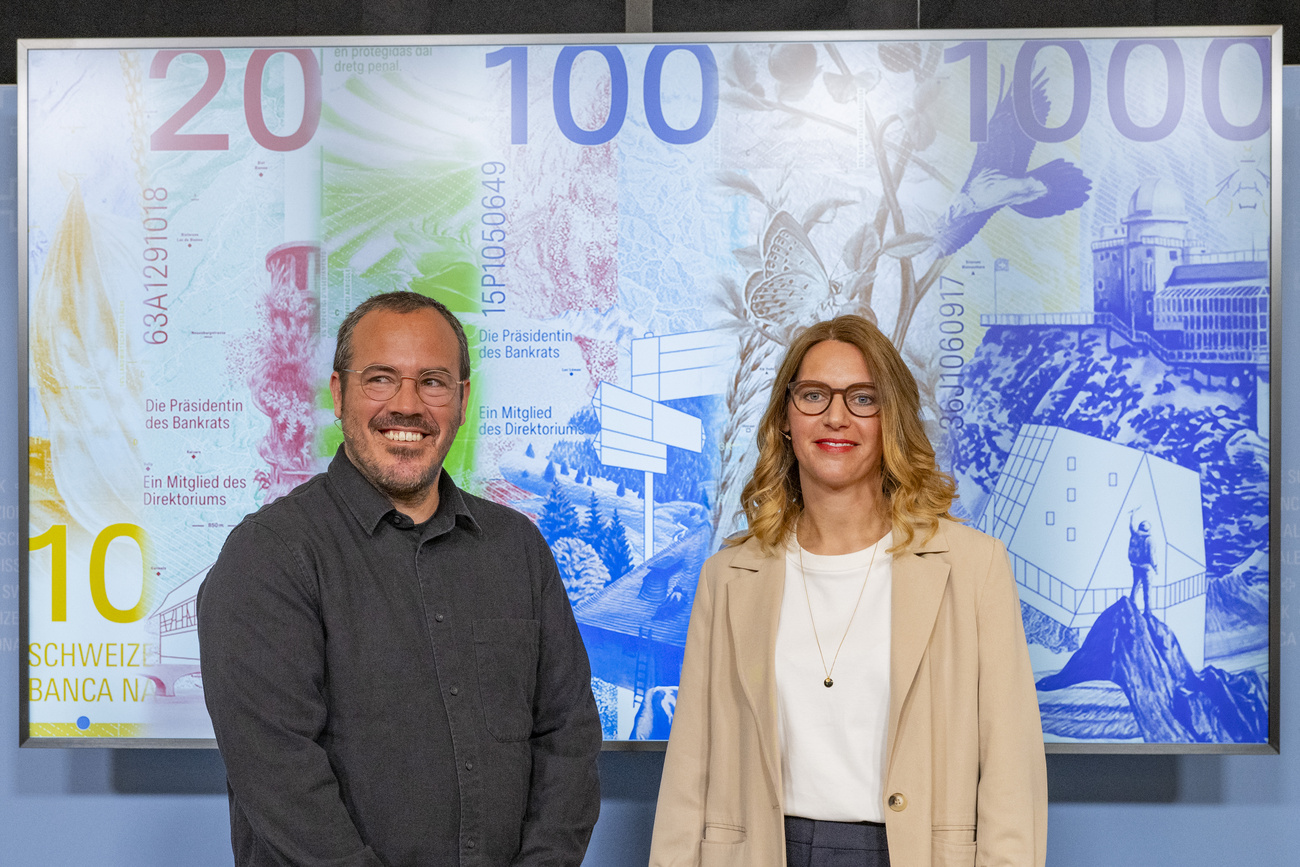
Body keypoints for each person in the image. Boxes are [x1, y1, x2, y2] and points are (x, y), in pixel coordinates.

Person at [198, 291, 601, 867]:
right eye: (381, 379)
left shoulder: (517, 549)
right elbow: (280, 777)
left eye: (432, 382)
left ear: (462, 400)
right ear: (339, 394)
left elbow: (568, 738)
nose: (407, 406)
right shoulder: (270, 556)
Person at [649, 315, 1047, 867]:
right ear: (785, 418)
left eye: (863, 398)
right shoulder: (728, 577)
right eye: (813, 395)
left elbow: (1011, 773)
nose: (835, 416)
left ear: (892, 420)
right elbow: (688, 774)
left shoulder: (974, 567)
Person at [1128, 511, 1156, 616]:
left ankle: (1131, 605)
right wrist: (1156, 567)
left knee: (1135, 585)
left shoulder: (1135, 535)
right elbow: (1151, 555)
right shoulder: (1149, 539)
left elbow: (1131, 526)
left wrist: (1132, 515)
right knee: (1147, 589)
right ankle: (1147, 611)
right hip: (1146, 567)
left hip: (1135, 565)